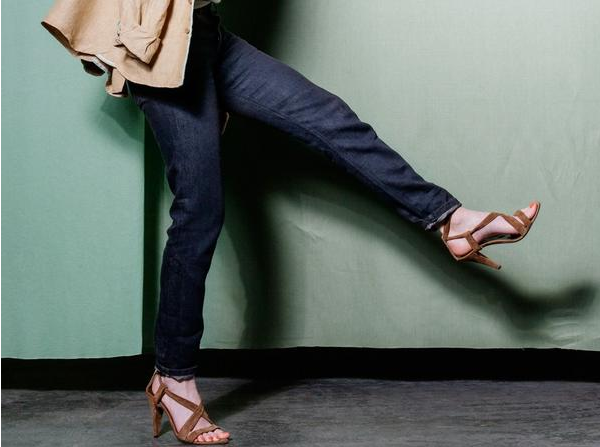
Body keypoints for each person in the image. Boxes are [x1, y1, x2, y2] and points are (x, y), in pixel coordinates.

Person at [44, 1, 541, 444]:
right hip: (158, 52)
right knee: (199, 212)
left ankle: (452, 221)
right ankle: (173, 378)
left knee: (327, 117)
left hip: (205, 35)